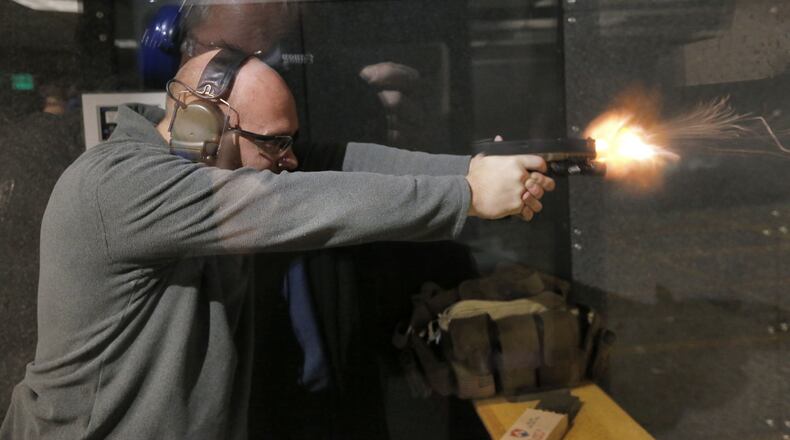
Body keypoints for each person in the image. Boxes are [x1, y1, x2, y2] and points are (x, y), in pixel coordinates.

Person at [0, 49, 553, 440]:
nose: (289, 160)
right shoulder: (119, 184)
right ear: (202, 128)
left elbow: (343, 161)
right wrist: (464, 197)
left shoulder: (211, 159)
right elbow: (292, 203)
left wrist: (474, 169)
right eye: (275, 145)